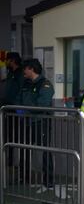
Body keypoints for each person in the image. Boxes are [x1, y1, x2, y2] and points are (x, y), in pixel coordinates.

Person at [18, 58, 55, 189]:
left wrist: (25, 110)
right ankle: (24, 177)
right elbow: (20, 100)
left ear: (31, 69)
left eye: (25, 68)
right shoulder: (26, 83)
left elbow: (42, 104)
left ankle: (49, 180)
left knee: (45, 150)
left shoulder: (45, 84)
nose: (24, 71)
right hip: (27, 122)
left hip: (40, 122)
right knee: (23, 149)